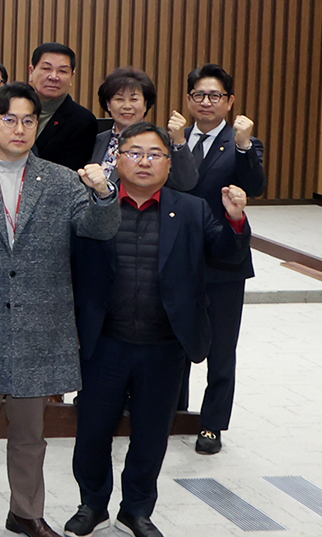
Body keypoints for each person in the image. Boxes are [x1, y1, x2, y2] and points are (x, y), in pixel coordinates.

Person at [0, 82, 118, 537]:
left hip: (40, 325)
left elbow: (98, 229)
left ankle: (26, 510)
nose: (19, 129)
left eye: (28, 120)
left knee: (30, 434)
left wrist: (103, 194)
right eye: (9, 120)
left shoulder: (62, 179)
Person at [63, 122, 251, 537]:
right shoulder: (93, 203)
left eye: (155, 154)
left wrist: (236, 220)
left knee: (150, 435)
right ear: (117, 159)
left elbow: (225, 255)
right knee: (93, 431)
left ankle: (137, 509)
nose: (144, 162)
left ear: (169, 164)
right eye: (134, 152)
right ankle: (92, 504)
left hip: (164, 344)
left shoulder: (191, 208)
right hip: (103, 342)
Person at [174, 63, 266, 455]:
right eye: (199, 95)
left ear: (229, 101)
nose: (206, 103)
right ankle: (172, 411)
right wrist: (176, 144)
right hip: (177, 255)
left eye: (214, 96)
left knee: (222, 346)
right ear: (189, 99)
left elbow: (256, 187)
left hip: (224, 259)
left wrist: (245, 147)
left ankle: (212, 424)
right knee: (173, 339)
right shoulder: (173, 138)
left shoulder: (243, 142)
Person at [90, 69, 197, 191]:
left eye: (134, 99)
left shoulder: (160, 141)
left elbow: (186, 183)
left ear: (145, 104)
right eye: (119, 99)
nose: (127, 106)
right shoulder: (95, 140)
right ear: (108, 104)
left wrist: (179, 141)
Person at [25, 43, 97, 171]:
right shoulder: (10, 108)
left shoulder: (82, 121)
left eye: (63, 71)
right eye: (46, 69)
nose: (54, 77)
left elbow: (68, 174)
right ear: (31, 71)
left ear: (71, 77)